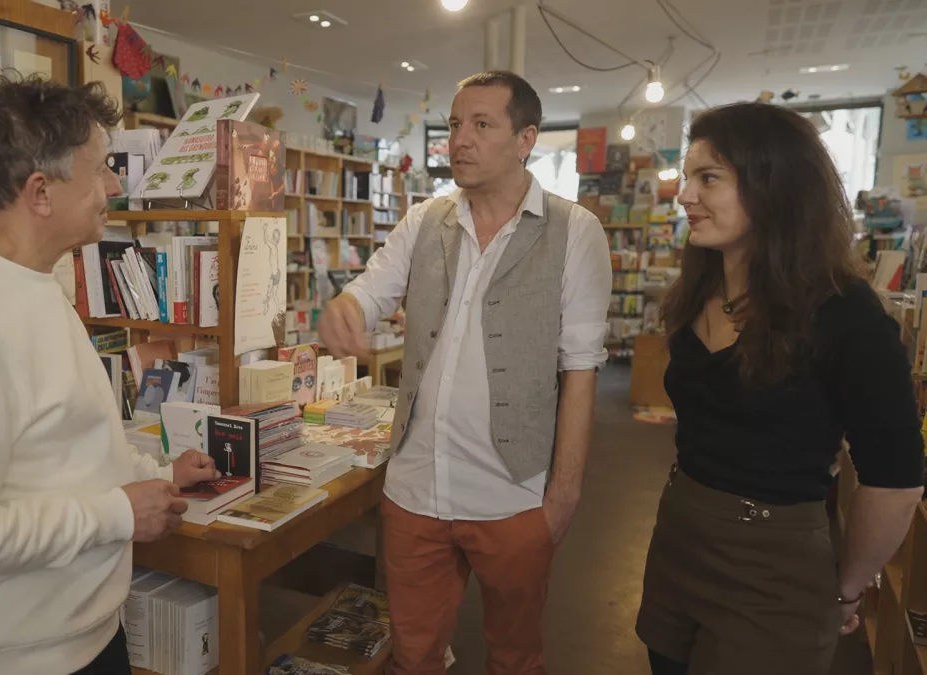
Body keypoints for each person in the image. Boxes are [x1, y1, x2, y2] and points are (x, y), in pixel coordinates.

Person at [0, 75, 219, 675]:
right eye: (100, 168)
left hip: (75, 632)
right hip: (10, 657)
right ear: (40, 193)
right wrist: (118, 514)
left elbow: (57, 448)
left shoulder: (33, 289)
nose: (113, 185)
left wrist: (157, 476)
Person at [318, 70, 612, 675]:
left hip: (513, 492)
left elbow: (581, 366)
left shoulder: (574, 231)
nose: (460, 140)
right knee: (413, 653)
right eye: (455, 124)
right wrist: (344, 308)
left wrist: (564, 490)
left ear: (526, 138)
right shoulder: (426, 219)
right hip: (415, 488)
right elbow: (368, 290)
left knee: (515, 655)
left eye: (482, 125)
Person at [634, 102, 925, 675]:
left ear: (776, 186)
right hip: (679, 535)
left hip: (774, 564)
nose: (685, 195)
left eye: (708, 177)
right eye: (688, 177)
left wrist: (845, 588)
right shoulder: (699, 287)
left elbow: (895, 481)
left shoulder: (845, 314)